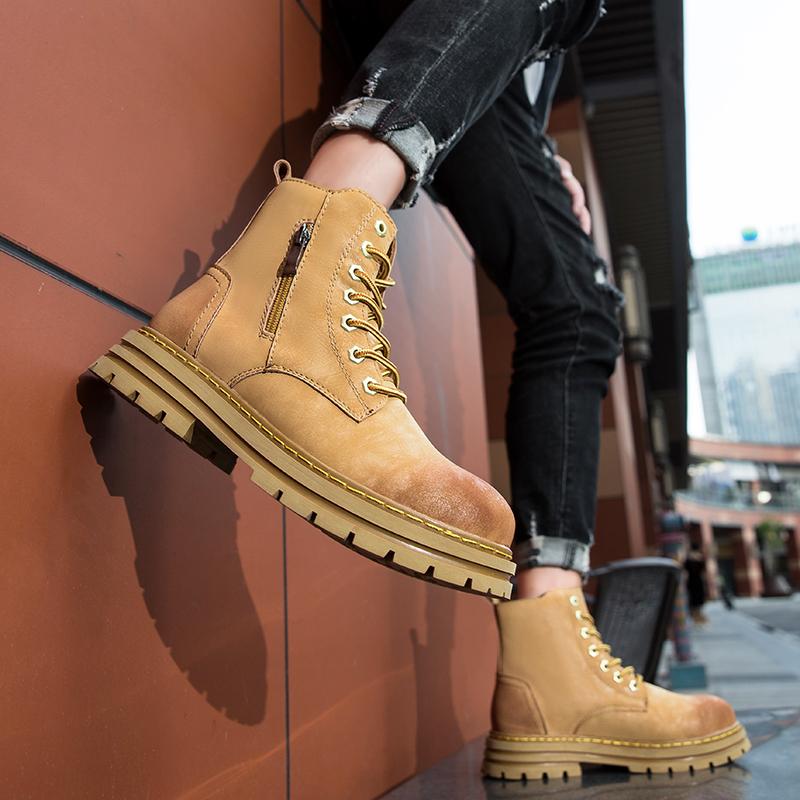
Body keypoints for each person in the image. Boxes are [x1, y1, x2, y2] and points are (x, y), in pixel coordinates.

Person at [90, 0, 750, 780]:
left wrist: (535, 144)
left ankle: (553, 657)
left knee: (579, 302)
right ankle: (288, 283)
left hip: (484, 58)